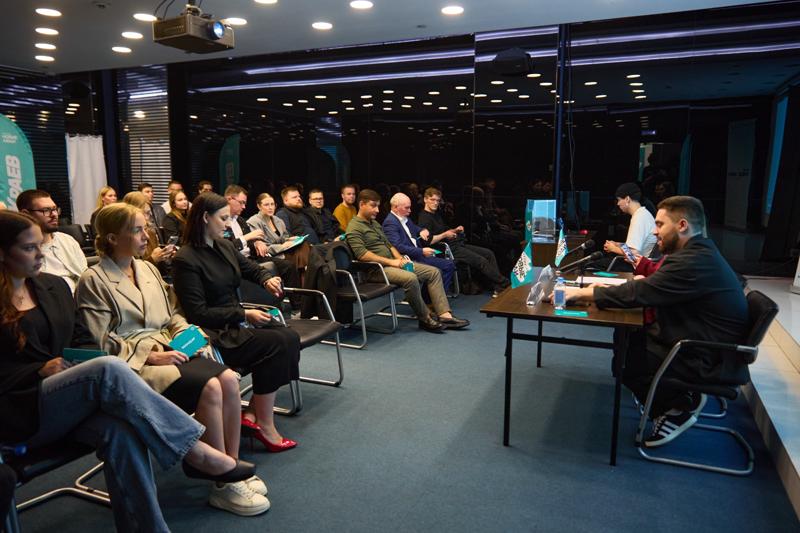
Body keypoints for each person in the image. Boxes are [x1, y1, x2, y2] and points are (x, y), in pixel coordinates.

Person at [0, 211, 257, 532]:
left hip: (70, 399)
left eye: (40, 245)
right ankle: (194, 450)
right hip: (20, 409)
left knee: (123, 431)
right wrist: (39, 370)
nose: (41, 254)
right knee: (108, 366)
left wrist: (77, 362)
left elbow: (82, 340)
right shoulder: (86, 281)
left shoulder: (53, 286)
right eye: (29, 248)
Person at [75, 204, 269, 516]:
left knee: (229, 379)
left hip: (171, 348)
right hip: (135, 365)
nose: (146, 235)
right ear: (112, 238)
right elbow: (99, 342)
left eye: (145, 228)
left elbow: (173, 314)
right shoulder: (93, 280)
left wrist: (188, 332)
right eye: (137, 230)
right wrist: (150, 356)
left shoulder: (148, 269)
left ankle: (229, 468)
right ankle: (221, 481)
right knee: (211, 387)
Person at [561, 196, 748, 448]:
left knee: (627, 361)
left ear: (682, 225)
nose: (654, 231)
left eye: (660, 224)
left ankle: (676, 409)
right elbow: (651, 286)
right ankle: (678, 397)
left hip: (704, 356)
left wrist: (582, 293)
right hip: (702, 340)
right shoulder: (696, 252)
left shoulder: (691, 261)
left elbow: (639, 293)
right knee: (630, 337)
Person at [172, 193, 301, 453]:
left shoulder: (224, 245)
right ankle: (264, 423)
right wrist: (243, 315)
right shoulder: (185, 259)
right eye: (223, 218)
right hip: (216, 334)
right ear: (205, 218)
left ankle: (253, 414)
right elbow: (198, 313)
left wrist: (266, 278)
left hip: (235, 324)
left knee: (288, 337)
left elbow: (250, 268)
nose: (228, 223)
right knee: (279, 343)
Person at [346, 189, 469, 333]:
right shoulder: (354, 227)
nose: (377, 210)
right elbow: (362, 255)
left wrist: (399, 258)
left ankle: (444, 315)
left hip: (393, 264)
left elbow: (390, 245)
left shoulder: (374, 223)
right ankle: (425, 318)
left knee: (434, 272)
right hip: (377, 270)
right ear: (362, 204)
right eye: (373, 206)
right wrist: (393, 262)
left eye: (378, 206)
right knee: (410, 278)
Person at [418, 187, 509, 296]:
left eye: (438, 200)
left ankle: (498, 287)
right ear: (425, 199)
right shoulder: (424, 218)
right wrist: (445, 234)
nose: (436, 203)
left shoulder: (436, 214)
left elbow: (443, 231)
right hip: (443, 250)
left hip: (454, 244)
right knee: (481, 261)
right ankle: (505, 283)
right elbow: (428, 242)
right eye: (432, 200)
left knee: (489, 253)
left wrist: (455, 230)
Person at [382, 192, 456, 293]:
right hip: (409, 258)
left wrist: (422, 230)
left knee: (448, 264)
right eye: (407, 208)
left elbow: (415, 228)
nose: (410, 210)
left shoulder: (404, 217)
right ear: (395, 207)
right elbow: (397, 246)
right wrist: (421, 251)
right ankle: (432, 298)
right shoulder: (390, 222)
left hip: (417, 254)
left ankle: (430, 298)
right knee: (446, 266)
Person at [16, 189, 87, 294]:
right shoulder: (20, 250)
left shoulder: (68, 240)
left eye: (55, 209)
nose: (54, 214)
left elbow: (84, 275)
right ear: (25, 214)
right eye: (46, 210)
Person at [121, 192, 176, 269]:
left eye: (149, 213)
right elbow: (130, 270)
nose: (147, 218)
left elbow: (159, 268)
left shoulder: (151, 233)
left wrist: (165, 259)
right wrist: (153, 260)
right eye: (144, 213)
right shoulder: (125, 237)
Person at [604, 182, 658, 259]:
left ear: (627, 199)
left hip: (638, 264)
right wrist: (618, 244)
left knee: (594, 264)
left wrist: (613, 248)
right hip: (643, 261)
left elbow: (632, 254)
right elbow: (634, 246)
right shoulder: (643, 214)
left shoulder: (639, 218)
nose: (618, 204)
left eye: (619, 200)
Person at [224, 185, 266, 259]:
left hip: (251, 257)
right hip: (236, 261)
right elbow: (226, 248)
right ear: (229, 199)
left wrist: (257, 242)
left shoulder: (240, 220)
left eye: (244, 203)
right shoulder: (221, 221)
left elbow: (251, 241)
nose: (244, 207)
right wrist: (247, 237)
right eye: (241, 202)